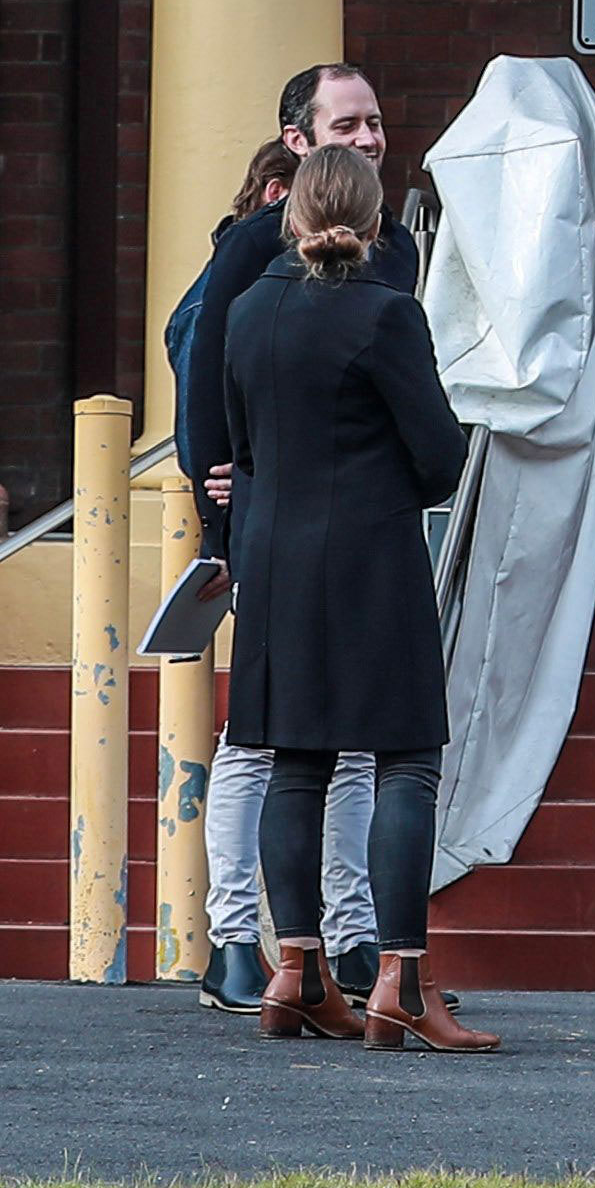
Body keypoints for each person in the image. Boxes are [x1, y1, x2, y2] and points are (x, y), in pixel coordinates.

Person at [217, 143, 488, 1050]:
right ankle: (401, 983)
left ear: (288, 217)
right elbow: (441, 457)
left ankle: (294, 972)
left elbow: (244, 448)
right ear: (378, 223)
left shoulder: (251, 310)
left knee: (295, 762)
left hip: (274, 560)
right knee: (403, 761)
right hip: (371, 558)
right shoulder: (387, 315)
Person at [174, 64, 410, 1017]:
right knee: (258, 741)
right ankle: (237, 941)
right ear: (299, 140)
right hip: (266, 524)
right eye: (346, 122)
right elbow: (197, 352)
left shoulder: (393, 250)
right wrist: (216, 478)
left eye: (377, 119)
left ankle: (350, 943)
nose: (367, 136)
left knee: (350, 747)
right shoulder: (253, 244)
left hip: (351, 524)